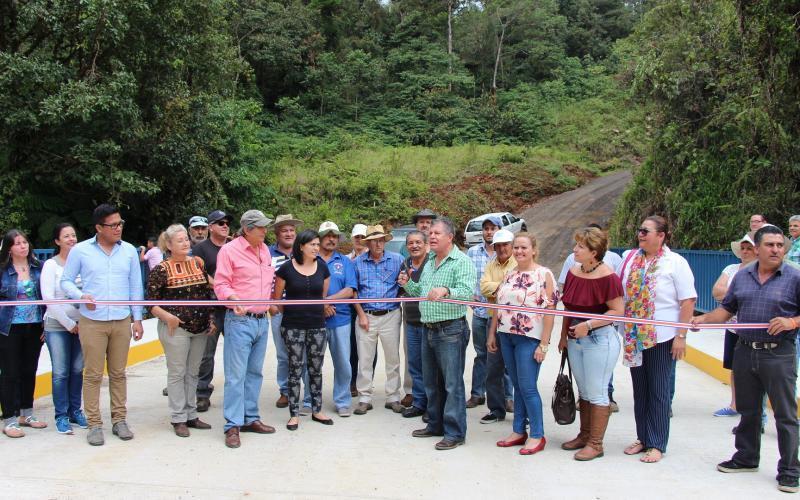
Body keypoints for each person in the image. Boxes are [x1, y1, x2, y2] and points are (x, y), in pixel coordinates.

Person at [693, 225, 800, 494]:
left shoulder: (794, 278)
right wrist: (703, 319)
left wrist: (791, 321)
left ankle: (789, 470)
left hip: (779, 353)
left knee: (785, 415)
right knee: (749, 410)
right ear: (757, 248)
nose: (776, 249)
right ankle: (746, 458)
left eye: (780, 245)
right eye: (770, 245)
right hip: (745, 350)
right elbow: (726, 310)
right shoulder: (741, 277)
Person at [61, 203, 145, 446]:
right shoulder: (80, 250)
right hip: (92, 321)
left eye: (120, 224)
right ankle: (94, 424)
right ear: (99, 227)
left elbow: (135, 287)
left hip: (121, 320)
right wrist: (79, 295)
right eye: (113, 225)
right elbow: (66, 281)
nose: (118, 228)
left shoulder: (128, 251)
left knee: (118, 373)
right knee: (93, 375)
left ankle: (119, 420)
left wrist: (137, 318)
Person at [617, 215, 696, 463]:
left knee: (659, 390)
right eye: (639, 230)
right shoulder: (631, 259)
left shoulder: (675, 263)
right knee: (640, 390)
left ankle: (657, 443)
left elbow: (688, 300)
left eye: (646, 231)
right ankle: (643, 438)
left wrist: (680, 336)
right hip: (634, 336)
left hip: (663, 337)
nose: (640, 234)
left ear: (661, 236)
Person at [400, 217, 476, 451]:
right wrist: (407, 284)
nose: (430, 237)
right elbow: (421, 292)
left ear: (450, 237)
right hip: (428, 327)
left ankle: (455, 432)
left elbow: (467, 292)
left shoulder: (461, 262)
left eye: (436, 234)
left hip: (451, 329)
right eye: (430, 233)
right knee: (431, 381)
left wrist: (446, 290)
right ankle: (435, 424)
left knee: (452, 384)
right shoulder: (431, 260)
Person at [486, 233, 556, 456]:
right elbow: (498, 305)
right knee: (516, 386)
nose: (519, 251)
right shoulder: (510, 274)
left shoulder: (543, 275)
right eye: (516, 247)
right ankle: (518, 430)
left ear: (533, 250)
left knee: (527, 387)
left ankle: (537, 434)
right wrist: (492, 334)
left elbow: (550, 312)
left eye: (523, 247)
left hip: (529, 338)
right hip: (506, 335)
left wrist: (543, 344)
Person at [559, 228, 624, 461]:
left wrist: (590, 324)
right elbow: (568, 306)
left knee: (597, 391)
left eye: (580, 247)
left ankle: (596, 443)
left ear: (594, 253)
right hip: (576, 339)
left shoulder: (608, 277)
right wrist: (563, 335)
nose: (574, 250)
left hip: (599, 339)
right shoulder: (575, 272)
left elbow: (617, 312)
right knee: (584, 391)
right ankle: (584, 435)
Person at [214, 209, 277, 448]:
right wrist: (232, 297)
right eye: (261, 227)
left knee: (255, 373)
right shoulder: (229, 251)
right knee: (235, 375)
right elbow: (221, 283)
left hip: (262, 320)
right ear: (248, 229)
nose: (265, 231)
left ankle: (251, 417)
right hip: (240, 320)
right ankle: (232, 424)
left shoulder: (264, 250)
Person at [147, 224, 216, 437]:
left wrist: (211, 317)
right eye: (180, 240)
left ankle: (191, 414)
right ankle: (178, 417)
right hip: (176, 328)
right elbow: (149, 302)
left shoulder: (197, 263)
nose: (186, 243)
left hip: (200, 328)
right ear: (168, 244)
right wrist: (168, 317)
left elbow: (209, 291)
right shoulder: (161, 269)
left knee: (193, 372)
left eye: (186, 239)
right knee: (177, 372)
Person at [274, 230, 333, 431]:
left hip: (317, 325)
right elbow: (277, 299)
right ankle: (294, 414)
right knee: (295, 368)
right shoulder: (286, 268)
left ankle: (317, 409)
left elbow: (322, 297)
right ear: (301, 246)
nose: (317, 248)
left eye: (318, 245)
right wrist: (292, 315)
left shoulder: (323, 267)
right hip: (293, 326)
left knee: (316, 368)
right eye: (313, 245)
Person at [353, 224, 405, 415]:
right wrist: (360, 315)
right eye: (374, 240)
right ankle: (364, 397)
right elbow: (354, 291)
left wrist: (396, 299)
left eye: (381, 239)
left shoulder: (398, 260)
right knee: (365, 358)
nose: (378, 243)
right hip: (367, 314)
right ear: (368, 243)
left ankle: (393, 396)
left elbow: (403, 284)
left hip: (391, 314)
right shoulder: (357, 263)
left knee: (393, 358)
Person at [41, 223, 88, 435]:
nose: (71, 239)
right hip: (57, 326)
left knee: (78, 370)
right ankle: (61, 416)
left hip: (82, 325)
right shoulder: (51, 265)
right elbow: (49, 299)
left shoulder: (82, 262)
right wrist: (69, 325)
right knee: (60, 372)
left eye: (74, 235)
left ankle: (75, 411)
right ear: (57, 241)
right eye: (66, 236)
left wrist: (81, 323)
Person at [0, 229, 47, 438]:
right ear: (9, 249)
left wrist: (45, 325)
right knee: (10, 372)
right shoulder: (3, 270)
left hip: (34, 324)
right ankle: (9, 417)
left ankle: (26, 413)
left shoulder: (38, 268)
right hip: (9, 327)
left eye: (25, 242)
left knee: (29, 369)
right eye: (17, 243)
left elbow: (47, 298)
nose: (23, 246)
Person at [192, 209, 234, 413]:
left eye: (227, 223)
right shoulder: (201, 249)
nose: (225, 226)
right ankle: (201, 393)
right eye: (220, 223)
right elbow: (200, 275)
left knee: (235, 353)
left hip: (233, 308)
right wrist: (222, 287)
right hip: (211, 308)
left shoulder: (235, 247)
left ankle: (236, 393)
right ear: (210, 227)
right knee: (206, 354)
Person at [712, 233, 756, 418]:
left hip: (753, 328)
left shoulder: (762, 271)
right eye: (743, 248)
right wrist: (739, 293)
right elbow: (716, 291)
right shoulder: (732, 268)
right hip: (732, 326)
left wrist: (731, 294)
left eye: (749, 248)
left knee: (756, 369)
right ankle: (735, 404)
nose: (745, 252)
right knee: (735, 367)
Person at [314, 222, 357, 417]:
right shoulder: (309, 259)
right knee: (313, 362)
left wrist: (326, 301)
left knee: (343, 363)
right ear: (320, 237)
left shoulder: (345, 262)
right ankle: (310, 400)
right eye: (327, 235)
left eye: (335, 236)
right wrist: (321, 306)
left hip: (340, 320)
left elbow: (350, 290)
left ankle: (342, 401)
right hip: (314, 320)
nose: (331, 239)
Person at [477, 228, 516, 424]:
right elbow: (484, 288)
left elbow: (518, 293)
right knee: (493, 369)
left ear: (512, 245)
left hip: (516, 324)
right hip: (494, 321)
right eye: (498, 246)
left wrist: (499, 288)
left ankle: (521, 410)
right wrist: (506, 287)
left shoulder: (519, 264)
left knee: (517, 370)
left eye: (505, 245)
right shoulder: (491, 265)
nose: (501, 249)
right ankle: (496, 409)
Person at [269, 214, 308, 411]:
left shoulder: (302, 253)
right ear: (277, 233)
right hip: (279, 311)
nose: (289, 233)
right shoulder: (267, 254)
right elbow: (264, 280)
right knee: (283, 354)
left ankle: (308, 393)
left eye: (292, 230)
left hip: (302, 310)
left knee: (305, 354)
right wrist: (271, 304)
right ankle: (285, 391)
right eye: (284, 230)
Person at [465, 216, 499, 409]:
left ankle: (506, 396)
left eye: (492, 228)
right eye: (486, 228)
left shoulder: (504, 253)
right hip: (479, 312)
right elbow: (468, 277)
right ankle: (478, 393)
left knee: (500, 356)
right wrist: (470, 299)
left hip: (499, 314)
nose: (488, 232)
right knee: (481, 354)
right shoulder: (472, 252)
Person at [400, 230, 430, 419]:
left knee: (430, 365)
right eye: (411, 243)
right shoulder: (405, 264)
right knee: (415, 364)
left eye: (418, 242)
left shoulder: (432, 263)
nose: (414, 246)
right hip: (411, 320)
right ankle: (419, 402)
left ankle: (431, 404)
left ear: (425, 244)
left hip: (428, 321)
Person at [347, 223, 369, 398]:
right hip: (350, 308)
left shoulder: (373, 257)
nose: (360, 240)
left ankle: (366, 382)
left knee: (370, 350)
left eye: (363, 237)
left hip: (368, 308)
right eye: (357, 237)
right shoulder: (346, 259)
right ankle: (353, 381)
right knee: (352, 347)